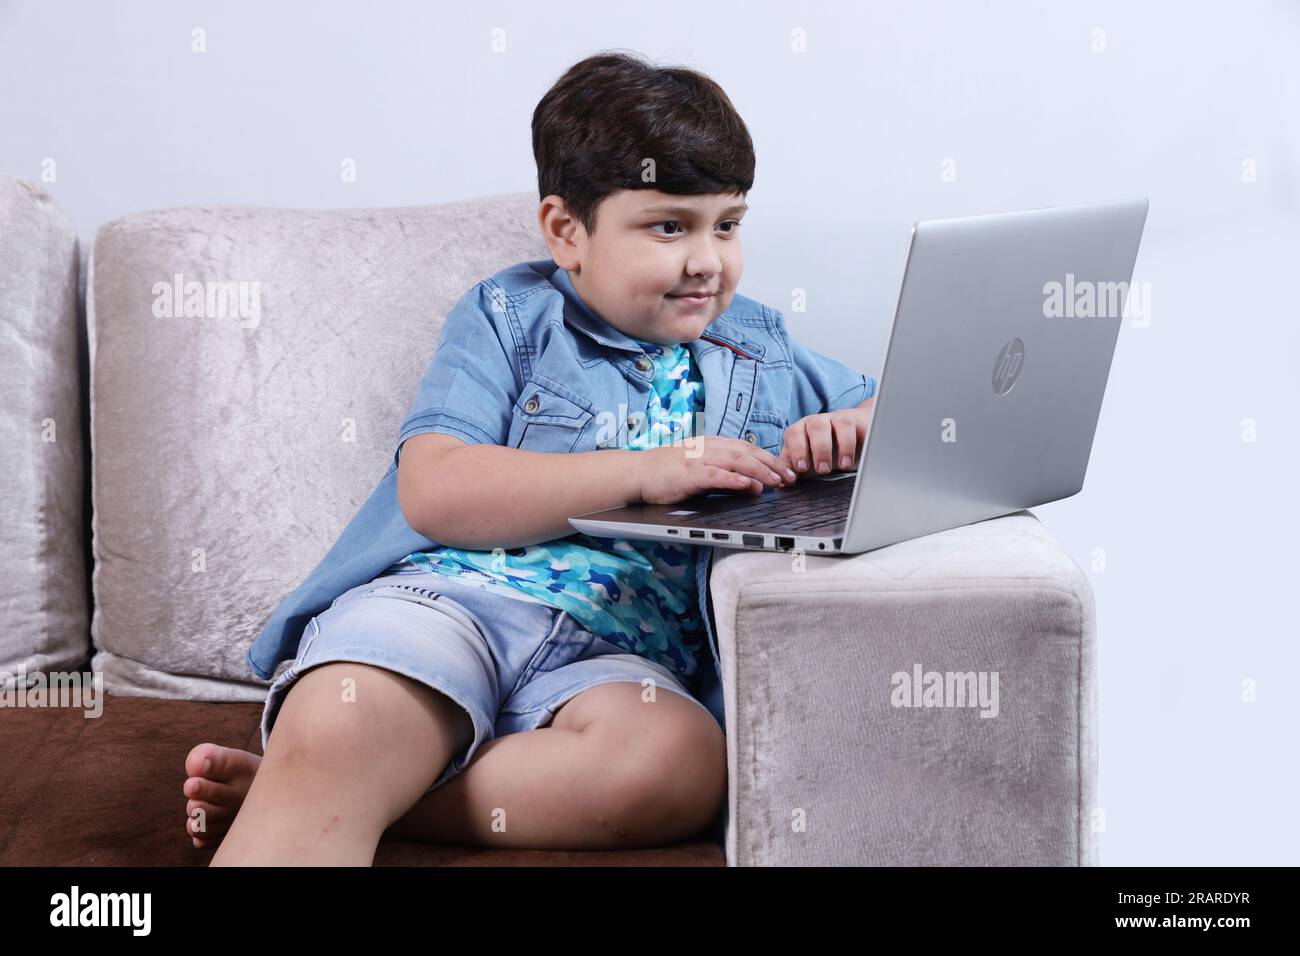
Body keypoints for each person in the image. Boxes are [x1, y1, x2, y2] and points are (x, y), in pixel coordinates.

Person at [182, 50, 876, 865]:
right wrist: (641, 471)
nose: (706, 260)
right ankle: (328, 777)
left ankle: (342, 790)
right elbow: (434, 487)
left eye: (727, 225)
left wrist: (858, 425)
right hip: (453, 605)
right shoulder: (512, 317)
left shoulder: (756, 342)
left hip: (619, 657)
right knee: (348, 714)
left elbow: (907, 408)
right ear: (566, 231)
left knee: (679, 769)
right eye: (668, 226)